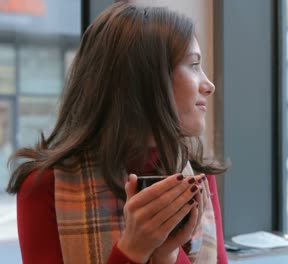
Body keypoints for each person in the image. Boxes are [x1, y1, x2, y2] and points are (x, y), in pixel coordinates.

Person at [6, 2, 228, 263]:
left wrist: (167, 252)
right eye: (193, 65)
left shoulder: (194, 176)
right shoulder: (45, 186)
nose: (209, 85)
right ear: (145, 79)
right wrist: (134, 248)